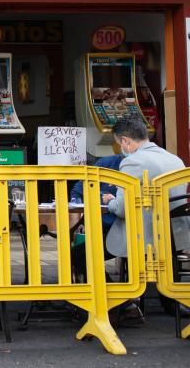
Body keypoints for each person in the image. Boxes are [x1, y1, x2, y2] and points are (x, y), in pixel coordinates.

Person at [102, 117, 190, 320]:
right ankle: (171, 302)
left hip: (143, 237)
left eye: (118, 144)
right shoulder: (175, 159)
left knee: (83, 255)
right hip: (174, 235)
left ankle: (122, 304)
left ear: (125, 141)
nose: (120, 148)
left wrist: (111, 200)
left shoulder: (132, 161)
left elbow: (123, 209)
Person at [70, 154, 123, 232]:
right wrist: (76, 225)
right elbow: (77, 192)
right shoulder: (106, 163)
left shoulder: (143, 167)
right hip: (100, 228)